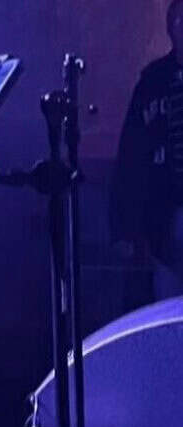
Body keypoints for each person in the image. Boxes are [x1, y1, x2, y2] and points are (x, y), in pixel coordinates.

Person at [112, 0, 183, 300]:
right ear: (171, 28)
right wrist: (123, 227)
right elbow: (131, 157)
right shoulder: (153, 82)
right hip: (164, 223)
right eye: (180, 22)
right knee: (168, 310)